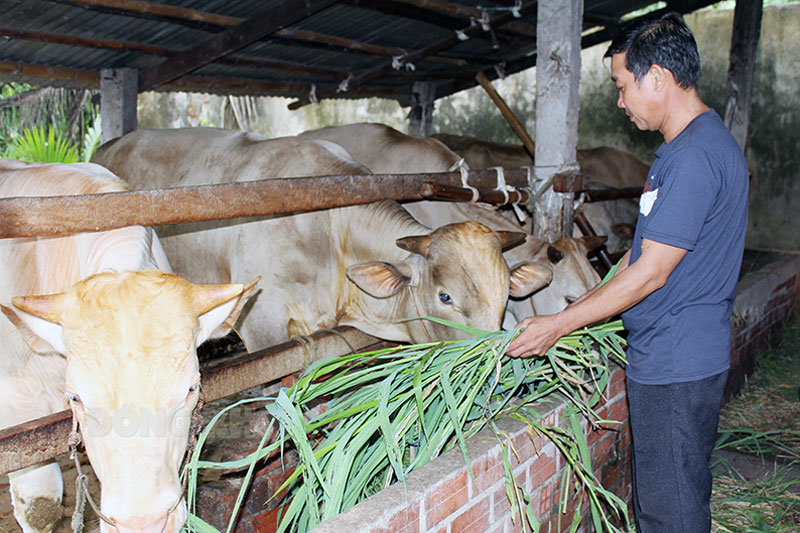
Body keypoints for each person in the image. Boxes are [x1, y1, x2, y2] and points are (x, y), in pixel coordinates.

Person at [505, 12, 749, 533]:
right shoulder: (690, 149)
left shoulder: (693, 158)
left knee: (671, 514)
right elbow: (640, 261)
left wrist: (557, 325)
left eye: (622, 86)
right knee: (672, 498)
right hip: (679, 355)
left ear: (656, 77)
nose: (620, 101)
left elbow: (649, 275)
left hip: (675, 364)